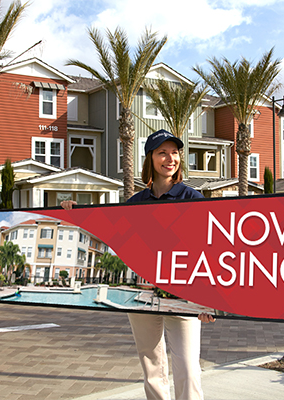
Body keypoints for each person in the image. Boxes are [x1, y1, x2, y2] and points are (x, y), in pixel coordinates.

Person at [61, 129, 214, 400]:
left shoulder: (192, 198)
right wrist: (76, 212)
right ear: (150, 159)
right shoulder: (136, 203)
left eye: (175, 153)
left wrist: (208, 301)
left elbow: (210, 250)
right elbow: (110, 228)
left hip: (183, 296)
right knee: (152, 368)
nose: (170, 159)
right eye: (162, 153)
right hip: (142, 294)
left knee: (189, 370)